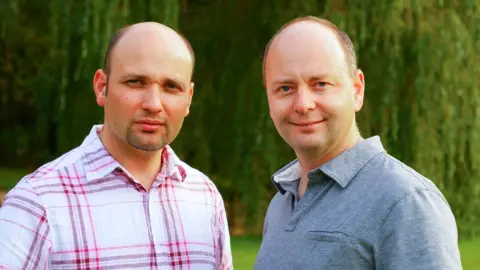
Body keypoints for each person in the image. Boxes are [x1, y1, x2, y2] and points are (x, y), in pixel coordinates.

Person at [0, 22, 232, 269]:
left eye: (171, 87)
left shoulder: (205, 197)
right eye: (136, 82)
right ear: (101, 87)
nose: (153, 104)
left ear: (189, 99)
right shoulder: (37, 202)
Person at [254, 16, 461, 269]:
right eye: (285, 88)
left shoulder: (405, 201)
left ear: (357, 90)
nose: (303, 104)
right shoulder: (281, 205)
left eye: (320, 84)